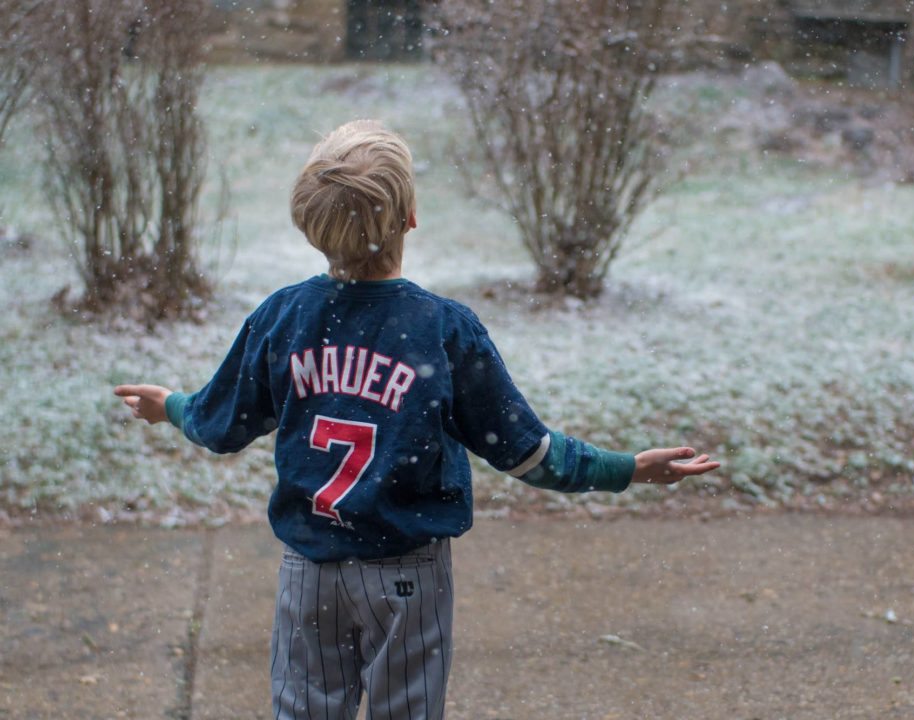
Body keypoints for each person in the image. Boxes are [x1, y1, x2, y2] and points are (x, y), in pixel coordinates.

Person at [114, 119, 720, 720]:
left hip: (310, 574)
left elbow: (220, 424)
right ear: (409, 218)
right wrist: (628, 469)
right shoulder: (442, 330)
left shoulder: (283, 319)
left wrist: (168, 405)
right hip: (408, 576)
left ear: (310, 226)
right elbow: (527, 453)